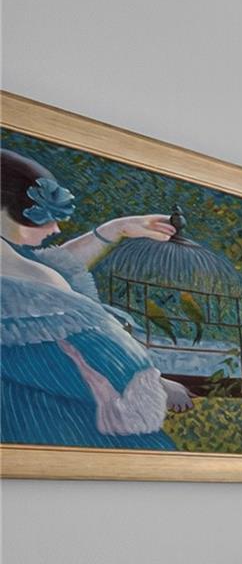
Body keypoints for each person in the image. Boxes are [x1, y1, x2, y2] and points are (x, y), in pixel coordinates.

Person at [1, 147, 193, 449]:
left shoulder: (20, 267)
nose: (55, 228)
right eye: (41, 218)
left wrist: (113, 230)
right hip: (55, 421)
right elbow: (103, 356)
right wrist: (156, 384)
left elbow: (52, 270)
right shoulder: (31, 280)